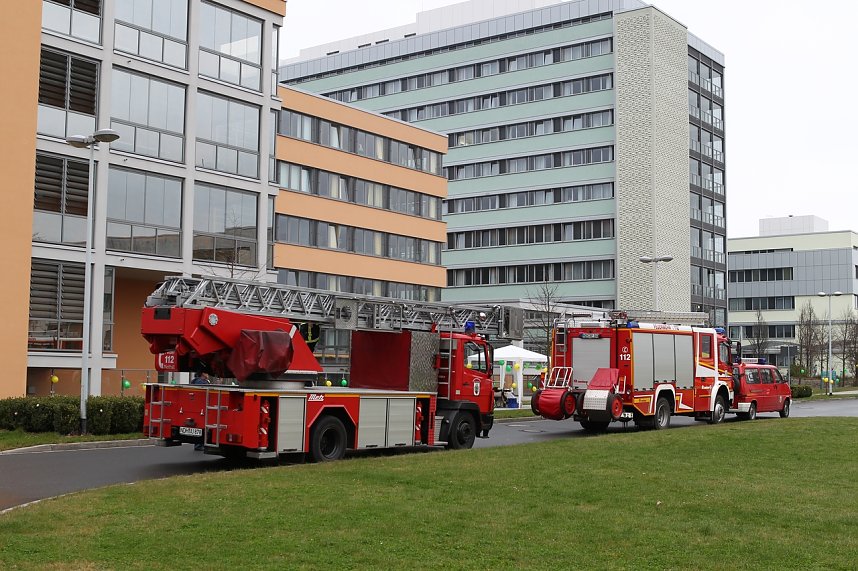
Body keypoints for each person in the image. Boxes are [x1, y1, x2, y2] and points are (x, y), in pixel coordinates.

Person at [190, 372, 210, 450]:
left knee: (198, 426)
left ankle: (197, 444)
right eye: (206, 373)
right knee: (202, 426)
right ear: (203, 374)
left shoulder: (194, 381)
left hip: (195, 406)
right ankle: (199, 445)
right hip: (203, 406)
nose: (208, 375)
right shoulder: (203, 383)